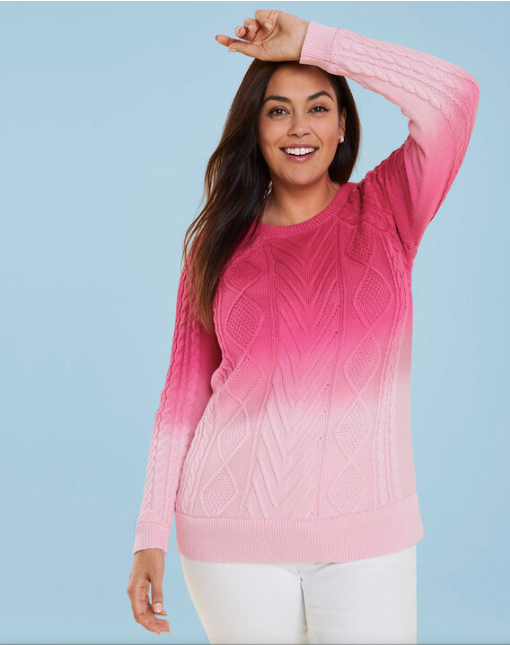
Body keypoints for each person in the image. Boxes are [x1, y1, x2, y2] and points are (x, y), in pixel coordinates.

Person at [127, 9, 480, 644]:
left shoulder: (388, 210)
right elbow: (183, 392)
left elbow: (454, 98)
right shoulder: (217, 245)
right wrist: (149, 531)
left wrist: (320, 44)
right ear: (255, 129)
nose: (299, 128)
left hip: (368, 535)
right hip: (230, 535)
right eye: (277, 111)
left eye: (318, 108)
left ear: (343, 125)